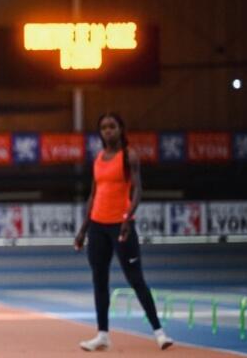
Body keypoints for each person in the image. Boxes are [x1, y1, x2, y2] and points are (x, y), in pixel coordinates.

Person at [75, 113, 173, 351]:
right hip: (97, 226)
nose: (108, 131)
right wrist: (83, 229)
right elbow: (93, 195)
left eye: (112, 126)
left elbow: (138, 190)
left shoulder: (129, 156)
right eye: (104, 127)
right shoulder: (98, 158)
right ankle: (102, 335)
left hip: (121, 224)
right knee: (99, 280)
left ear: (121, 129)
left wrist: (128, 217)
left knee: (135, 279)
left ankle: (159, 332)